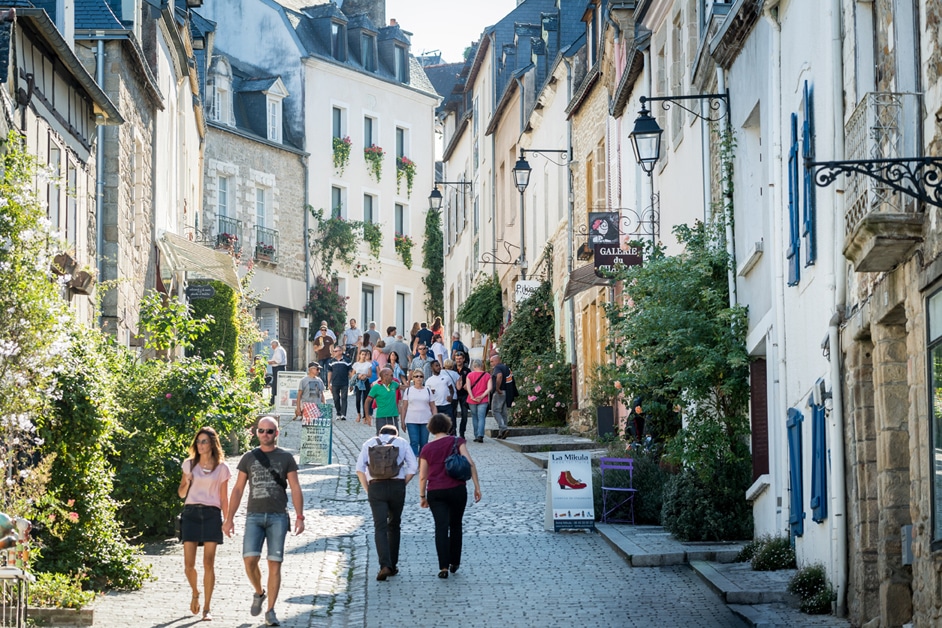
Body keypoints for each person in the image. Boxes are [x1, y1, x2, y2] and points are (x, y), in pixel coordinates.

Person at [224, 417, 304, 627]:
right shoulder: (248, 457)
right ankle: (259, 592)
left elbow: (295, 487)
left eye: (270, 431)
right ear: (256, 433)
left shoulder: (286, 457)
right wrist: (229, 519)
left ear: (276, 433)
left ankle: (270, 611)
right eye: (262, 431)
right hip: (254, 516)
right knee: (249, 560)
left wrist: (300, 516)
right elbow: (238, 489)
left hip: (278, 516)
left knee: (274, 563)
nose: (265, 434)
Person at [418, 413, 481, 579]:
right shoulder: (457, 441)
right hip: (457, 489)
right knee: (456, 525)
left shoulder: (426, 449)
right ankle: (455, 561)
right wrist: (476, 486)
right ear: (448, 426)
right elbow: (470, 463)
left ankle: (443, 567)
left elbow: (423, 476)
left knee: (440, 526)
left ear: (431, 429)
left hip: (436, 492)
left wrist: (422, 496)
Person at [179, 427, 231, 621]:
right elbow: (181, 494)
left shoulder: (222, 468)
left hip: (211, 514)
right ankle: (195, 592)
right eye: (198, 441)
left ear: (212, 444)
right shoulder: (189, 465)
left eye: (204, 441)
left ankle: (207, 608)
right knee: (188, 566)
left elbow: (224, 498)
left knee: (209, 563)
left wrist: (227, 520)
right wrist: (186, 481)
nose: (200, 445)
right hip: (191, 513)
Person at [355, 425, 418, 581]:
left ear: (379, 433)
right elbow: (413, 467)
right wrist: (403, 483)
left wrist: (367, 489)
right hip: (397, 486)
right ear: (395, 434)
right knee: (394, 525)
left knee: (380, 526)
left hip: (376, 486)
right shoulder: (402, 442)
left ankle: (384, 565)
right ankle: (393, 565)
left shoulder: (369, 443)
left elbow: (359, 468)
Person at [400, 368, 436, 457]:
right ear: (413, 378)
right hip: (412, 420)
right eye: (416, 376)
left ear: (423, 378)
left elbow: (433, 406)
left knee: (424, 443)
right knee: (414, 441)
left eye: (421, 376)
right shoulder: (408, 390)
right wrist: (402, 421)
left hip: (425, 420)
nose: (419, 378)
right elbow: (404, 407)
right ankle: (413, 463)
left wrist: (435, 419)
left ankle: (422, 462)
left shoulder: (427, 390)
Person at [367, 367, 401, 435]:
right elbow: (367, 401)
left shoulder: (394, 384)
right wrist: (367, 415)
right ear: (385, 376)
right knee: (381, 437)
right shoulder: (376, 387)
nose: (392, 377)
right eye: (391, 375)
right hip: (381, 417)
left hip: (393, 416)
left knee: (395, 437)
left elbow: (402, 387)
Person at [465, 359, 492, 443]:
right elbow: (489, 388)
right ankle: (480, 435)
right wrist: (482, 396)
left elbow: (468, 387)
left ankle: (476, 435)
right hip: (483, 399)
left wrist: (472, 396)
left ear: (473, 366)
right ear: (481, 365)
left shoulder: (469, 375)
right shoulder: (487, 375)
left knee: (474, 417)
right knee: (481, 417)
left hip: (471, 399)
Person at [488, 353, 513, 439]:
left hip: (500, 392)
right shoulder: (506, 367)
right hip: (507, 391)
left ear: (496, 361)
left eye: (492, 361)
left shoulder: (497, 368)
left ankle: (503, 428)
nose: (491, 363)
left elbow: (499, 376)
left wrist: (497, 388)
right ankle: (502, 432)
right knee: (503, 412)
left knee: (495, 411)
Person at [326, 346, 353, 420]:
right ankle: (338, 413)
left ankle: (343, 414)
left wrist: (352, 383)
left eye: (336, 351)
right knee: (336, 399)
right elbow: (329, 372)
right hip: (335, 383)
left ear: (341, 351)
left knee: (344, 398)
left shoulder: (347, 360)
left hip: (344, 382)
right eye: (334, 351)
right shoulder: (331, 361)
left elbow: (350, 372)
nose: (334, 352)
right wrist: (328, 383)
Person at [451, 352, 471, 439]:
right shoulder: (452, 370)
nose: (458, 360)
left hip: (464, 395)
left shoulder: (467, 370)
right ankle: (454, 431)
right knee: (453, 414)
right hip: (454, 395)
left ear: (463, 359)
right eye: (457, 358)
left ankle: (462, 432)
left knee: (464, 415)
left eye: (460, 358)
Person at [352, 349, 374, 425]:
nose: (364, 356)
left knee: (365, 399)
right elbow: (352, 374)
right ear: (360, 355)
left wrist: (364, 375)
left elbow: (370, 374)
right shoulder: (356, 364)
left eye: (365, 354)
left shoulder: (368, 364)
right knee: (358, 398)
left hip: (365, 381)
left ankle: (365, 416)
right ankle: (358, 414)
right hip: (358, 382)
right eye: (362, 354)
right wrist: (358, 376)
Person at [267, 340, 287, 406]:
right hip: (280, 368)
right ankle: (274, 400)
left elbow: (279, 361)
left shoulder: (278, 350)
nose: (272, 347)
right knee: (277, 384)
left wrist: (270, 362)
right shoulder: (281, 349)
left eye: (272, 346)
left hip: (278, 368)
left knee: (276, 385)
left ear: (274, 345)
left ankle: (273, 401)